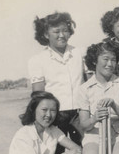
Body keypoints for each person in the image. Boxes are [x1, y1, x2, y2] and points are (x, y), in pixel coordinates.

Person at [28, 12, 85, 145]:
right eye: (56, 31)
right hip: (55, 114)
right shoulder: (37, 60)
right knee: (55, 153)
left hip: (80, 113)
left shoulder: (80, 53)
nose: (61, 35)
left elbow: (88, 82)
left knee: (85, 149)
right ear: (46, 34)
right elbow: (38, 95)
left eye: (65, 30)